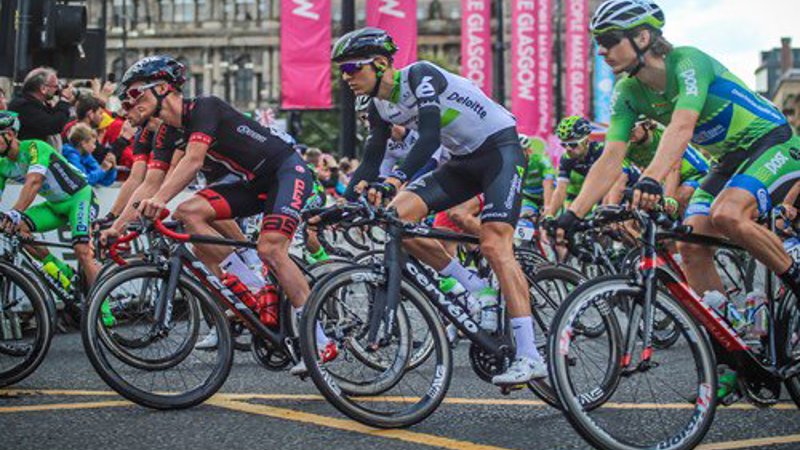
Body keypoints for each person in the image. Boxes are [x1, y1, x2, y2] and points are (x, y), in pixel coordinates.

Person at [553, 0, 800, 400]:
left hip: (771, 140)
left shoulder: (688, 62)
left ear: (643, 37)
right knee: (689, 243)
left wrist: (650, 179)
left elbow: (682, 127)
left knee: (727, 214)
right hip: (728, 160)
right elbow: (611, 157)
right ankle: (733, 346)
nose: (600, 50)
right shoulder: (628, 91)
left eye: (608, 40)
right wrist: (572, 213)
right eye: (597, 42)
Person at [333, 27, 546, 384]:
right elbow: (371, 158)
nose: (346, 77)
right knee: (394, 219)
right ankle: (475, 288)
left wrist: (394, 181)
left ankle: (530, 355)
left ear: (382, 63)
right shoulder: (377, 105)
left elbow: (429, 136)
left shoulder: (420, 75)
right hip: (462, 161)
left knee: (495, 244)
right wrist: (343, 202)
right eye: (342, 69)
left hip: (499, 150)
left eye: (353, 68)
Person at [117, 56, 335, 370]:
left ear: (163, 89)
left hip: (286, 171)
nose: (128, 103)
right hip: (253, 182)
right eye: (124, 98)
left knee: (271, 249)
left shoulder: (206, 107)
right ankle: (256, 289)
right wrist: (119, 225)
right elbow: (151, 181)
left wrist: (160, 201)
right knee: (188, 212)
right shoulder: (166, 132)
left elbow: (191, 163)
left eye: (135, 94)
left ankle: (319, 341)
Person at [0, 111, 114, 324]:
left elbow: (34, 181)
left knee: (82, 251)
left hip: (79, 197)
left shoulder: (35, 147)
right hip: (54, 206)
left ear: (10, 135)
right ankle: (63, 273)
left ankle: (104, 310)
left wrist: (15, 211)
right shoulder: (1, 164)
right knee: (17, 229)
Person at [8, 67, 75, 144]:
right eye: (55, 86)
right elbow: (53, 125)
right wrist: (64, 100)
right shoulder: (23, 105)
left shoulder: (37, 104)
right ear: (43, 88)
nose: (57, 90)